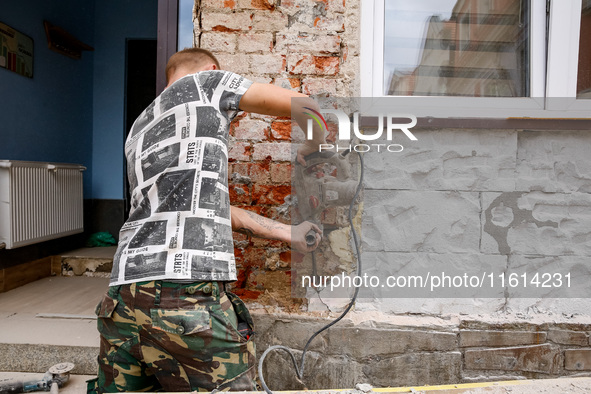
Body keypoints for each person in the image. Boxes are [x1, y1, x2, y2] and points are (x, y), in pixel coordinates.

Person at [87, 48, 325, 393]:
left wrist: (291, 233)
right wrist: (311, 149)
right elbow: (310, 108)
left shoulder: (138, 127)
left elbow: (209, 210)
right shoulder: (207, 82)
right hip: (186, 297)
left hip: (121, 298)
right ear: (212, 69)